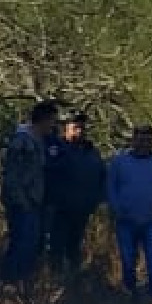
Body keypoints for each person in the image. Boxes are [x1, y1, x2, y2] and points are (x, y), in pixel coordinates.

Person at [106, 125, 152, 300]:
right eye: (141, 138)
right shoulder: (120, 161)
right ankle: (130, 295)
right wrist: (117, 208)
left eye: (148, 139)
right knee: (128, 260)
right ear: (133, 139)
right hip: (126, 219)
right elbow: (110, 187)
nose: (145, 143)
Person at [1, 101, 60, 280]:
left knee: (30, 245)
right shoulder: (22, 140)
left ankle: (22, 282)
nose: (54, 125)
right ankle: (12, 281)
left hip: (33, 202)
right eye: (52, 120)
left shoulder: (39, 140)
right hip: (22, 203)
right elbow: (12, 176)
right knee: (21, 245)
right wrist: (22, 201)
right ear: (43, 120)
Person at [45, 112, 106, 274]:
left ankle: (74, 281)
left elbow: (101, 176)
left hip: (82, 208)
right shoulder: (56, 149)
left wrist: (97, 199)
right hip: (60, 209)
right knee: (56, 247)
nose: (79, 131)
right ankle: (54, 282)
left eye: (82, 128)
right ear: (66, 129)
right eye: (75, 128)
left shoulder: (92, 152)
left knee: (75, 247)